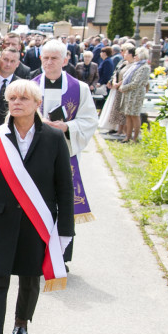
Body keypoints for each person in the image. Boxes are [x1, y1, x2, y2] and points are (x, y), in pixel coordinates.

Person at [0, 80, 75, 334]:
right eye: (12, 98)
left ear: (37, 104)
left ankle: (21, 322)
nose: (16, 102)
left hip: (36, 223)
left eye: (23, 98)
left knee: (29, 278)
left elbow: (65, 188)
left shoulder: (54, 138)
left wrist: (65, 231)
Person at [33, 39, 99, 237]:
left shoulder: (80, 88)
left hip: (65, 148)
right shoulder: (30, 86)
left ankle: (62, 243)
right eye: (45, 58)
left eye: (54, 58)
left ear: (64, 60)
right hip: (35, 148)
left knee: (62, 195)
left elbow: (90, 120)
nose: (49, 62)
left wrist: (67, 127)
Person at [117, 46, 151, 144]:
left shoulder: (145, 67)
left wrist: (124, 87)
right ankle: (127, 136)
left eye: (136, 55)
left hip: (136, 95)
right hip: (129, 94)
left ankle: (135, 138)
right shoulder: (135, 65)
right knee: (128, 115)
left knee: (134, 115)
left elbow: (137, 83)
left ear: (141, 55)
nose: (134, 56)